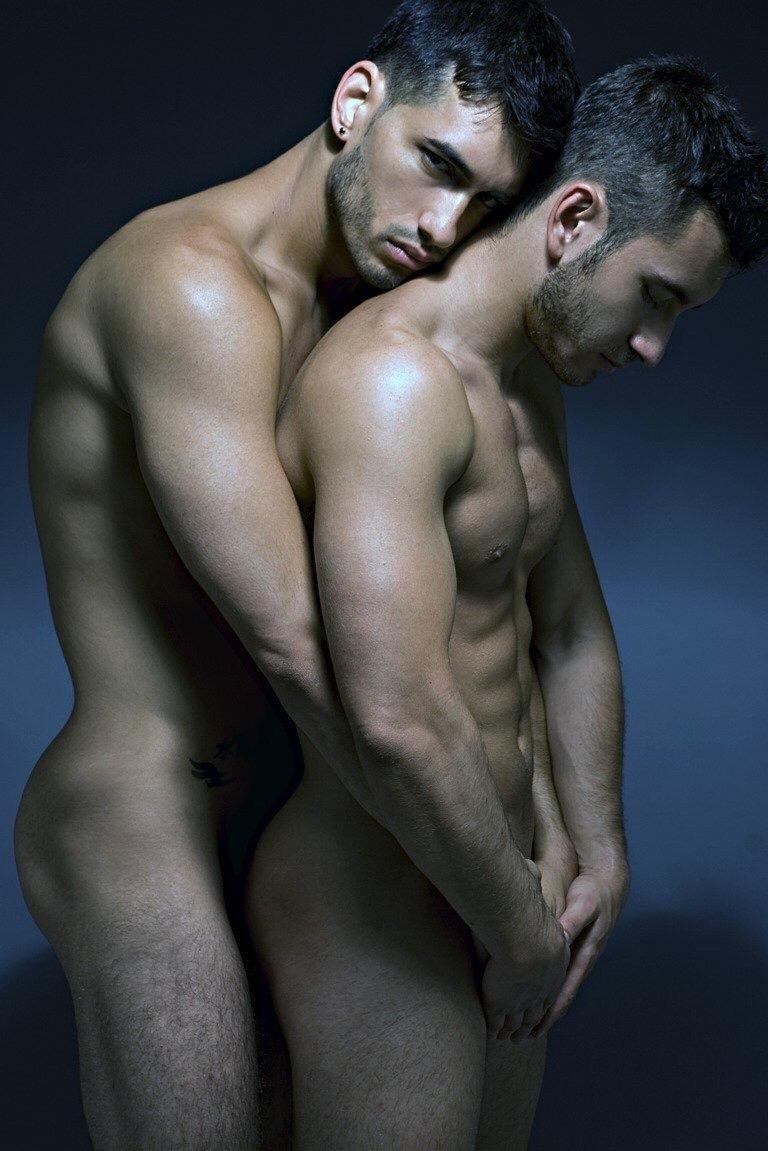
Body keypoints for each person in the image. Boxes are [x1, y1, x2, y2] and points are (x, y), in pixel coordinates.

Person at [13, 2, 579, 1147]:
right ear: (356, 101)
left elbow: (516, 600)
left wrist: (556, 828)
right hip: (150, 808)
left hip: (314, 810)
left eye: (484, 206)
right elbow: (295, 643)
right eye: (438, 166)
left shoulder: (382, 324)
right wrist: (502, 900)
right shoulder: (189, 284)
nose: (445, 227)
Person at [246, 57, 768, 1149]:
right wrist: (522, 931)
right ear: (575, 219)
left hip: (503, 897)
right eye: (657, 297)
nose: (653, 347)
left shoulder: (521, 383)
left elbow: (569, 630)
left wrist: (600, 847)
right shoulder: (394, 385)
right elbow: (396, 717)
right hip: (382, 898)